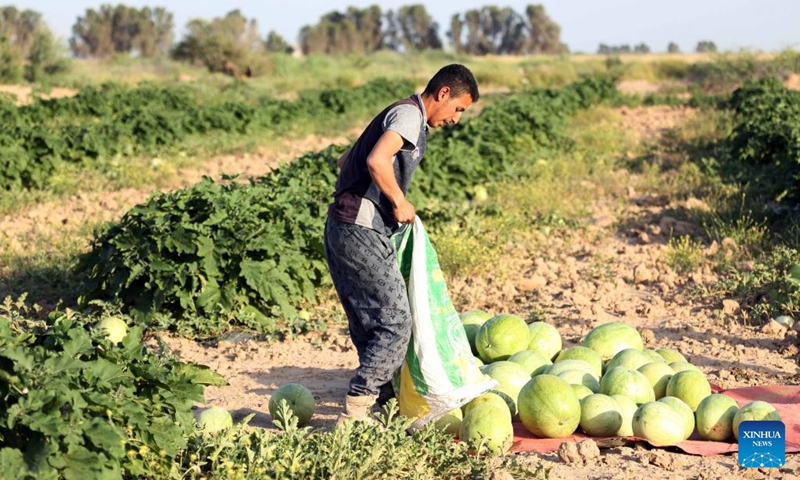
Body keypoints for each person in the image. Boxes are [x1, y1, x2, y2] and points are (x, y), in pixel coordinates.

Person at [324, 64, 479, 424]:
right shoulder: (410, 116)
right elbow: (376, 159)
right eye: (458, 109)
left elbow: (345, 159)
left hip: (341, 227)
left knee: (369, 321)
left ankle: (384, 403)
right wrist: (397, 201)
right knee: (394, 322)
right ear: (442, 94)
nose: (456, 119)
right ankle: (358, 408)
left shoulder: (397, 112)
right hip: (361, 229)